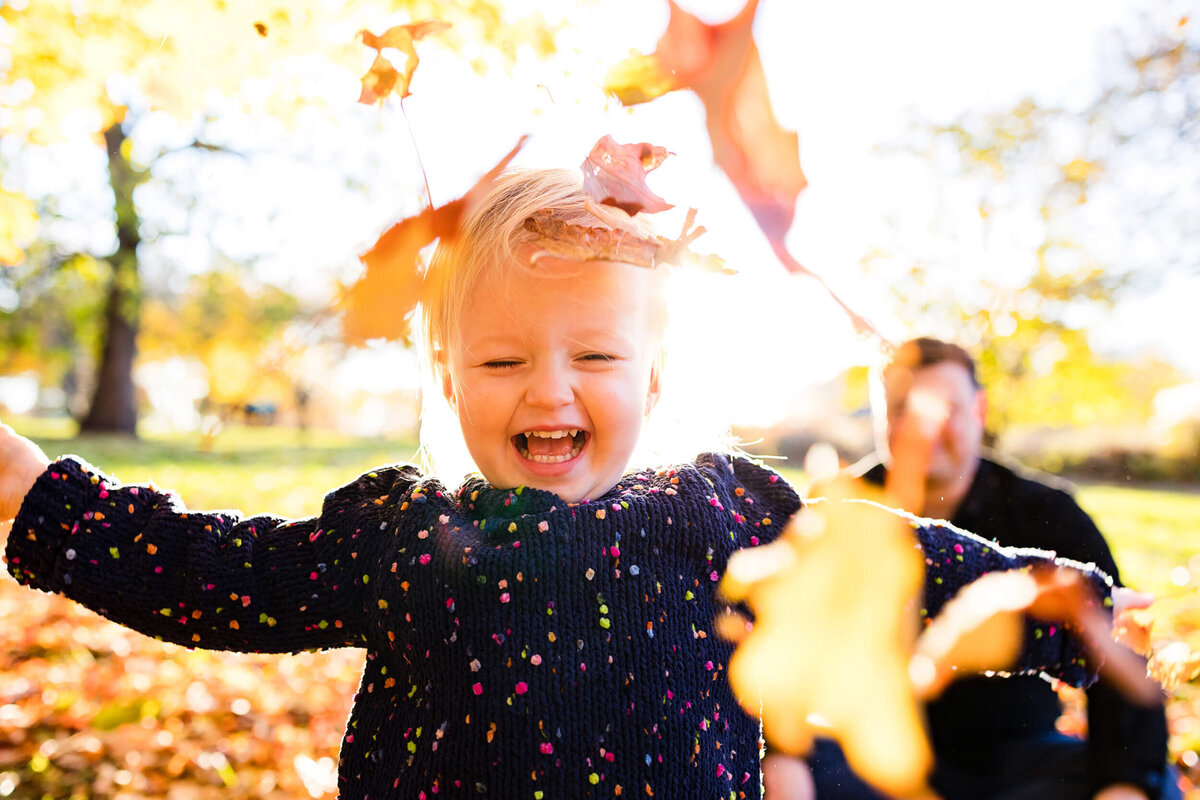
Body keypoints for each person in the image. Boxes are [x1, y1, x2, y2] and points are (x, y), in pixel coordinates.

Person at [0, 173, 1116, 799]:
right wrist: (39, 495)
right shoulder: (403, 527)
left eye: (592, 357)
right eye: (501, 360)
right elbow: (220, 575)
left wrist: (1068, 606)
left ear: (658, 371)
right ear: (448, 376)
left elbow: (903, 563)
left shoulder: (725, 507)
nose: (550, 389)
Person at [807, 336, 1177, 800]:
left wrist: (1124, 785)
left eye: (944, 409)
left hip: (1018, 762)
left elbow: (1120, 649)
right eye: (902, 409)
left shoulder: (1047, 513)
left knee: (1150, 786)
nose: (922, 428)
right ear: (880, 418)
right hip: (869, 758)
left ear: (979, 411)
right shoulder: (838, 508)